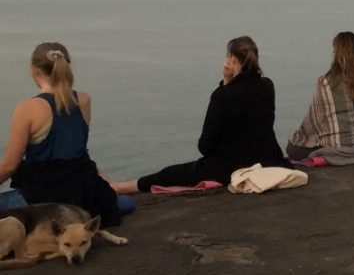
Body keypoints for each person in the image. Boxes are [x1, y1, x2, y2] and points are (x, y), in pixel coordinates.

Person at [111, 36, 289, 194]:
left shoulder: (222, 95)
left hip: (231, 167)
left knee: (171, 174)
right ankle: (122, 186)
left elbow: (205, 147)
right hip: (268, 159)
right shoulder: (267, 86)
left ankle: (123, 187)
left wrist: (225, 84)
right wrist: (227, 82)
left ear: (232, 59)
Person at [0, 43, 120, 226]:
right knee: (121, 203)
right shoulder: (83, 100)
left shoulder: (28, 108)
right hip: (84, 194)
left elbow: (9, 165)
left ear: (35, 70)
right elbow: (77, 152)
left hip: (46, 200)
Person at [286, 32, 354, 160]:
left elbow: (313, 121)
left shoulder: (326, 82)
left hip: (341, 146)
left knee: (292, 148)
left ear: (337, 52)